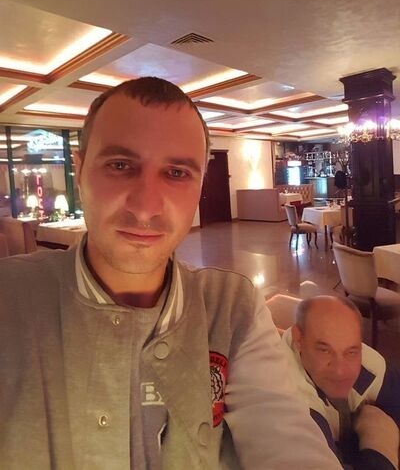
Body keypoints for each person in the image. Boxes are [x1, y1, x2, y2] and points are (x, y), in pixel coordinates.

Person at [0, 77, 342, 469]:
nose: (146, 207)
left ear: (199, 185)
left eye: (177, 173)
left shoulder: (231, 308)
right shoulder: (9, 299)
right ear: (79, 171)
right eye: (120, 165)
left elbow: (286, 438)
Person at [282, 295, 400, 470]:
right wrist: (380, 441)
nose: (340, 371)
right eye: (324, 350)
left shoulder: (373, 367)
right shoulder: (291, 409)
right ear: (298, 339)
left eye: (351, 352)